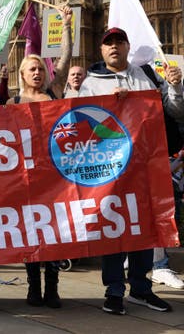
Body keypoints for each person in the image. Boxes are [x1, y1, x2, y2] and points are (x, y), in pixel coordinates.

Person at [79, 26, 184, 315]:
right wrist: (111, 106)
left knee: (144, 228)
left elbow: (174, 112)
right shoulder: (91, 83)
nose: (114, 46)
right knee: (114, 228)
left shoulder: (146, 76)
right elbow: (80, 123)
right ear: (101, 50)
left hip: (146, 165)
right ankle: (114, 289)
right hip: (110, 170)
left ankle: (141, 288)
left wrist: (175, 86)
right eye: (108, 42)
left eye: (119, 41)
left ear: (127, 46)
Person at [6, 5, 73, 308]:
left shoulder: (54, 93)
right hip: (27, 176)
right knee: (31, 232)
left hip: (55, 173)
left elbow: (67, 58)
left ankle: (53, 288)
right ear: (22, 74)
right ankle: (33, 286)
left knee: (55, 233)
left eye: (40, 69)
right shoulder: (14, 101)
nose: (37, 72)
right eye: (31, 69)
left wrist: (67, 26)